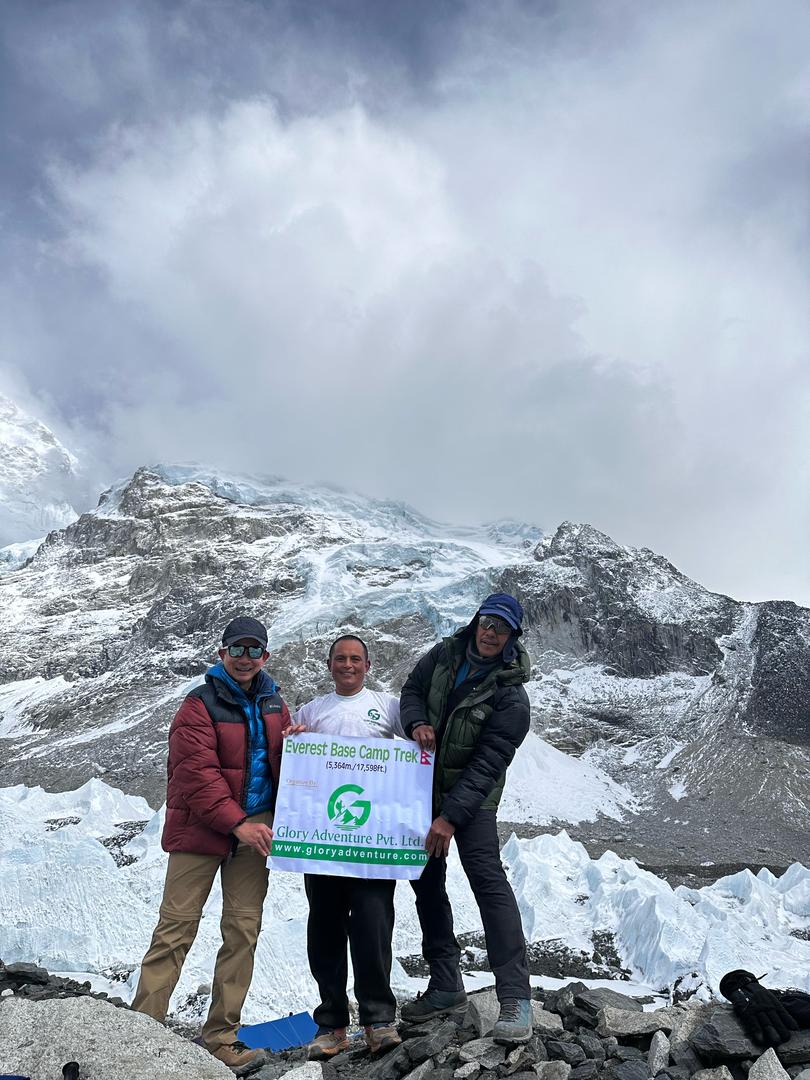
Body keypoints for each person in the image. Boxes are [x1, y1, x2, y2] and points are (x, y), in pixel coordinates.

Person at [132, 616, 291, 1072]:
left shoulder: (276, 705)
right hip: (202, 830)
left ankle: (221, 1035)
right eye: (236, 650)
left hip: (255, 828)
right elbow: (195, 776)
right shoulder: (198, 705)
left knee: (242, 930)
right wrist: (238, 823)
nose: (244, 659)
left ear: (265, 655)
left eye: (253, 650)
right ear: (221, 655)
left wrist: (299, 743)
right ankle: (142, 1030)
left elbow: (287, 763)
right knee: (176, 928)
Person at [398, 593, 533, 1043]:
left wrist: (451, 817)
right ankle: (445, 984)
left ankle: (514, 997)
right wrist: (417, 722)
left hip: (473, 802)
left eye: (502, 627)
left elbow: (488, 764)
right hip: (424, 790)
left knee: (487, 882)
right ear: (476, 622)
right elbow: (412, 690)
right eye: (488, 622)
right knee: (426, 883)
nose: (491, 632)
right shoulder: (444, 654)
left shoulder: (512, 696)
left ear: (512, 636)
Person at [290, 634, 406, 1060]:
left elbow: (413, 751)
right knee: (324, 928)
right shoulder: (312, 711)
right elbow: (294, 757)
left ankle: (379, 1020)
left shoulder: (388, 707)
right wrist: (294, 740)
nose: (348, 665)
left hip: (374, 841)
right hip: (323, 840)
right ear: (329, 664)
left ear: (368, 664)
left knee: (374, 925)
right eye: (340, 658)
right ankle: (331, 1024)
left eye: (355, 659)